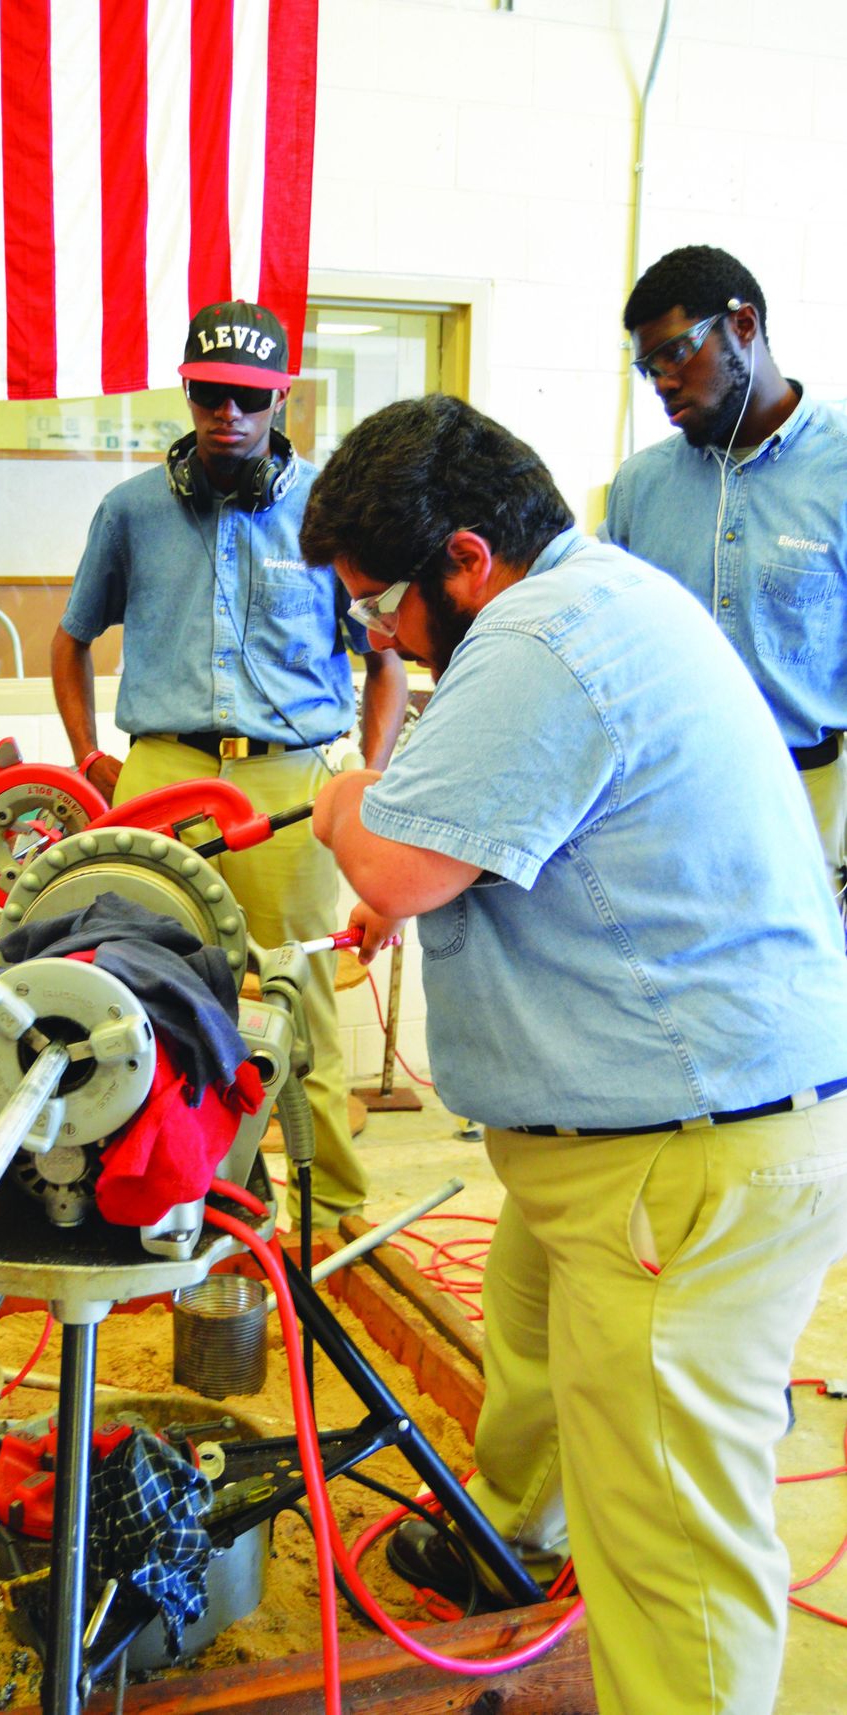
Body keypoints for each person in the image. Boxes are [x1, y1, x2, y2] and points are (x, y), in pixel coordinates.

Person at [299, 393, 847, 1715]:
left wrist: (344, 810)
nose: (377, 633)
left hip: (685, 1154)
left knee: (672, 1541)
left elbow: (403, 854)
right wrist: (402, 857)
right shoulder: (598, 596)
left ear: (469, 559)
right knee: (536, 1321)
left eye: (381, 604)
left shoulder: (544, 635)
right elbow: (499, 829)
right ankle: (518, 1537)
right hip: (644, 1134)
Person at [51, 299, 408, 1229]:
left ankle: (330, 1211)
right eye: (210, 394)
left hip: (292, 785)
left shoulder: (332, 512)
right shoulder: (131, 510)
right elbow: (71, 638)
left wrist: (367, 780)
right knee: (140, 982)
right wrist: (90, 752)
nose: (228, 416)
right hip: (162, 777)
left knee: (300, 992)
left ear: (281, 393)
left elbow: (385, 664)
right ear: (187, 389)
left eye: (249, 397)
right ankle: (152, 1199)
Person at [603, 244, 847, 909]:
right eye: (648, 368)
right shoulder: (639, 487)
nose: (662, 383)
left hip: (807, 801)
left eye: (676, 353)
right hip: (663, 801)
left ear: (743, 326)